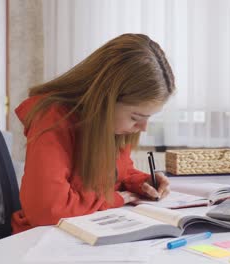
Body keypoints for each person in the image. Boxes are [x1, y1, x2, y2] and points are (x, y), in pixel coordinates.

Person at [11, 33, 175, 234]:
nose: (143, 127)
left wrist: (141, 183)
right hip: (42, 241)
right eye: (135, 117)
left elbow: (119, 172)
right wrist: (113, 199)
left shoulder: (110, 126)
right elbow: (48, 210)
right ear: (105, 100)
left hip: (84, 231)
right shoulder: (53, 119)